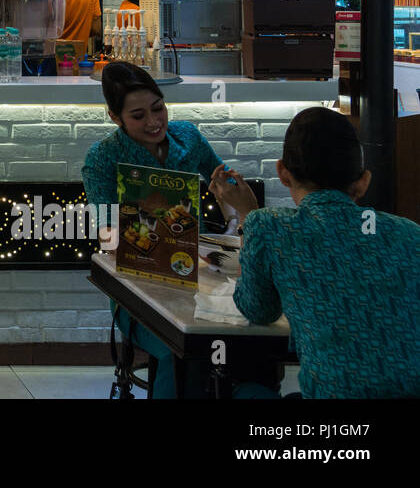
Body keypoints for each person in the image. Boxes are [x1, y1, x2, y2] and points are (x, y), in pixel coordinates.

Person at [210, 107, 420, 398]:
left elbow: (258, 309)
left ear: (282, 172)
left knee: (247, 391)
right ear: (363, 181)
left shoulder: (269, 226)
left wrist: (247, 217)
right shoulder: (410, 233)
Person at [83, 61, 234, 398]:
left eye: (158, 108)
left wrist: (233, 206)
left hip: (199, 275)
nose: (153, 122)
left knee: (234, 345)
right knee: (180, 349)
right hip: (139, 290)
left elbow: (224, 186)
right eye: (138, 116)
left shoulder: (188, 137)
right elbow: (108, 237)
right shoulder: (103, 158)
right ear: (114, 117)